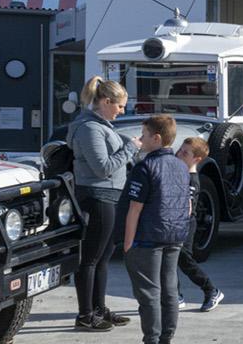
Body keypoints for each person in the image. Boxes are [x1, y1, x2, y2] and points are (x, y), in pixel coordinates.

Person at [68, 76, 139, 332]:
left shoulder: (101, 125)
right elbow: (102, 168)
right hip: (98, 197)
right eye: (120, 106)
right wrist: (130, 148)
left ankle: (98, 309)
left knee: (103, 258)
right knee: (90, 258)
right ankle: (85, 315)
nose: (123, 111)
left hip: (109, 196)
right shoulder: (89, 128)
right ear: (106, 102)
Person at [123, 114, 192, 344]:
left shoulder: (145, 167)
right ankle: (167, 337)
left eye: (144, 136)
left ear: (157, 138)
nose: (140, 140)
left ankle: (151, 339)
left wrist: (127, 242)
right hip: (175, 235)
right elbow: (188, 204)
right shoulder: (182, 167)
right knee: (169, 290)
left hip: (148, 237)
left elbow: (134, 208)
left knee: (149, 293)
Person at [174, 137, 225, 312]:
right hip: (174, 223)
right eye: (180, 149)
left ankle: (211, 290)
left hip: (185, 224)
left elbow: (187, 208)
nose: (179, 153)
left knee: (184, 259)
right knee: (169, 259)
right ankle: (176, 296)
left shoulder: (192, 180)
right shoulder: (179, 172)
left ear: (197, 159)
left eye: (184, 152)